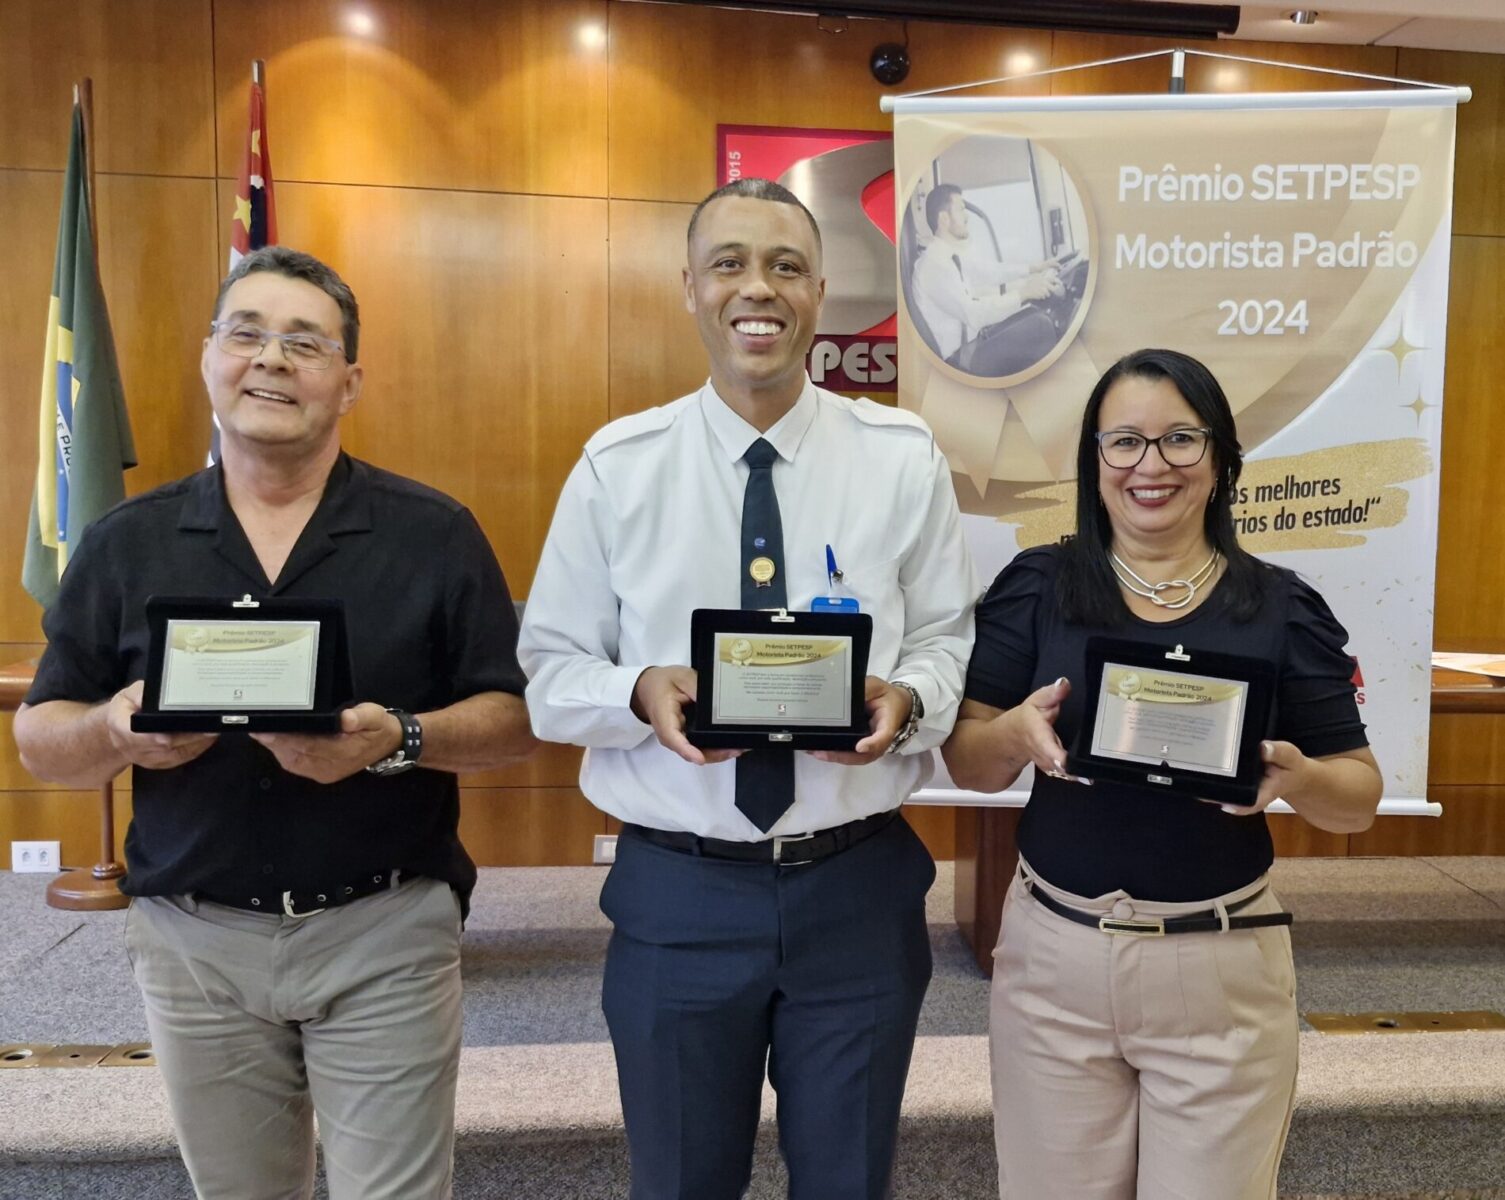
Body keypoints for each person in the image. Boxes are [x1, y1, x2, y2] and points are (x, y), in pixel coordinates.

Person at [13, 246, 537, 1200]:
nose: (271, 359)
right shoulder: (126, 540)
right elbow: (41, 740)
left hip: (383, 930)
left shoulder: (434, 532)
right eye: (246, 333)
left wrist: (400, 741)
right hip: (193, 939)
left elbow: (513, 721)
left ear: (350, 382)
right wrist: (116, 735)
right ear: (209, 357)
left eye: (305, 342)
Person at [519, 178, 976, 1200]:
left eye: (781, 265)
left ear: (819, 290)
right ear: (688, 287)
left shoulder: (899, 460)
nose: (753, 288)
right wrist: (639, 692)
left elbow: (948, 641)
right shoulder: (617, 467)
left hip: (855, 891)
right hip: (678, 892)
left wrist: (903, 703)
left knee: (847, 1184)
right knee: (680, 1183)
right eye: (727, 263)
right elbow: (549, 675)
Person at [942, 347, 1382, 1200]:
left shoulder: (1280, 607)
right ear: (1093, 460)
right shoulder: (1038, 585)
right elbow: (968, 758)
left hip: (1219, 970)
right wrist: (1013, 732)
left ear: (1218, 460)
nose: (1151, 465)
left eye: (1181, 439)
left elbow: (1357, 798)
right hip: (1052, 966)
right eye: (1124, 443)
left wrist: (1294, 775)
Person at [911, 182, 1063, 370]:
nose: (966, 216)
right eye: (960, 209)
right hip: (960, 360)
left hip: (972, 345)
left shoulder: (947, 257)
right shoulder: (934, 265)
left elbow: (988, 271)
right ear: (944, 219)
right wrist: (1024, 293)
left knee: (1033, 313)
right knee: (1040, 326)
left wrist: (1034, 268)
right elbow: (974, 314)